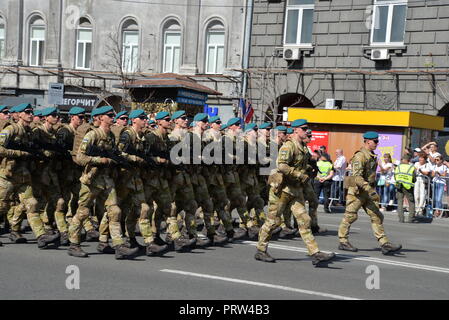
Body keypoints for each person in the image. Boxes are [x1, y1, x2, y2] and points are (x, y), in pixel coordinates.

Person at [255, 119, 335, 266]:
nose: (306, 131)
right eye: (304, 129)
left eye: (307, 129)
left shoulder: (303, 147)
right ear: (296, 130)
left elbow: (300, 165)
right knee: (273, 222)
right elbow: (282, 165)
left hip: (295, 190)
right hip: (282, 190)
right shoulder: (288, 146)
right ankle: (261, 250)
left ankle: (315, 253)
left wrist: (309, 170)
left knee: (304, 220)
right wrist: (299, 174)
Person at [67, 105, 138, 259]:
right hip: (92, 180)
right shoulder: (92, 135)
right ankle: (74, 244)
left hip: (107, 180)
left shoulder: (111, 136)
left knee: (115, 211)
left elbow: (114, 154)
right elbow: (80, 157)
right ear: (100, 118)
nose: (113, 117)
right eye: (109, 115)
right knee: (83, 211)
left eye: (113, 115)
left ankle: (117, 245)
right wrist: (99, 160)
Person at [0, 103, 60, 248]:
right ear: (19, 114)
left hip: (23, 175)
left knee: (32, 203)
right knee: (2, 206)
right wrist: (20, 154)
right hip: (7, 175)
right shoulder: (11, 129)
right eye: (27, 112)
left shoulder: (30, 132)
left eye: (31, 112)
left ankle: (41, 236)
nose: (31, 114)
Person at [338, 131, 402, 255]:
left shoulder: (372, 155)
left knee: (377, 216)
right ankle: (343, 241)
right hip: (357, 192)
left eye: (377, 141)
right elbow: (356, 177)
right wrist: (370, 190)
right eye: (375, 141)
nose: (377, 143)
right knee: (350, 216)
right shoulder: (360, 156)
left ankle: (384, 244)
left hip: (367, 191)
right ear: (368, 141)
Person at [394, 155, 416, 223]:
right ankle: (410, 218)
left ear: (404, 160)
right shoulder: (411, 167)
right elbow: (414, 178)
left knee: (400, 202)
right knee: (411, 202)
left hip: (399, 185)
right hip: (408, 187)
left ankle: (401, 219)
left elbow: (395, 176)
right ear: (408, 160)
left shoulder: (398, 167)